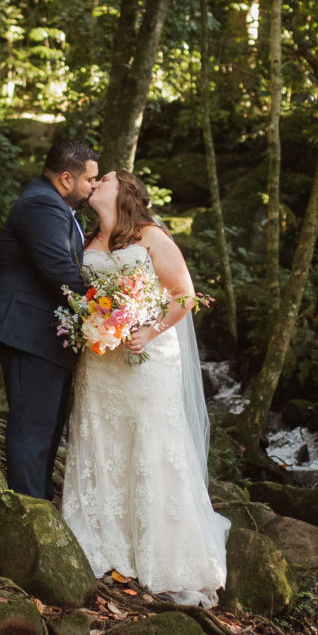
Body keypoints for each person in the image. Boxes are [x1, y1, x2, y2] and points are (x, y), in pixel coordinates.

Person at [60, 171, 229, 606]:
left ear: (126, 192)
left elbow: (185, 295)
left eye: (108, 178)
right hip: (100, 363)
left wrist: (148, 330)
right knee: (101, 440)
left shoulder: (150, 236)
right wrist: (93, 323)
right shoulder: (86, 240)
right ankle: (102, 543)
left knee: (151, 443)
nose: (96, 182)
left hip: (147, 360)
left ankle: (162, 551)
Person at [0, 136, 98, 499]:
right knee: (32, 430)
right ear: (67, 178)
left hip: (46, 336)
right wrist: (113, 306)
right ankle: (26, 513)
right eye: (89, 180)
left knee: (47, 430)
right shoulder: (41, 205)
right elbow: (60, 270)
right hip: (29, 333)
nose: (93, 187)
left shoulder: (53, 204)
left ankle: (37, 506)